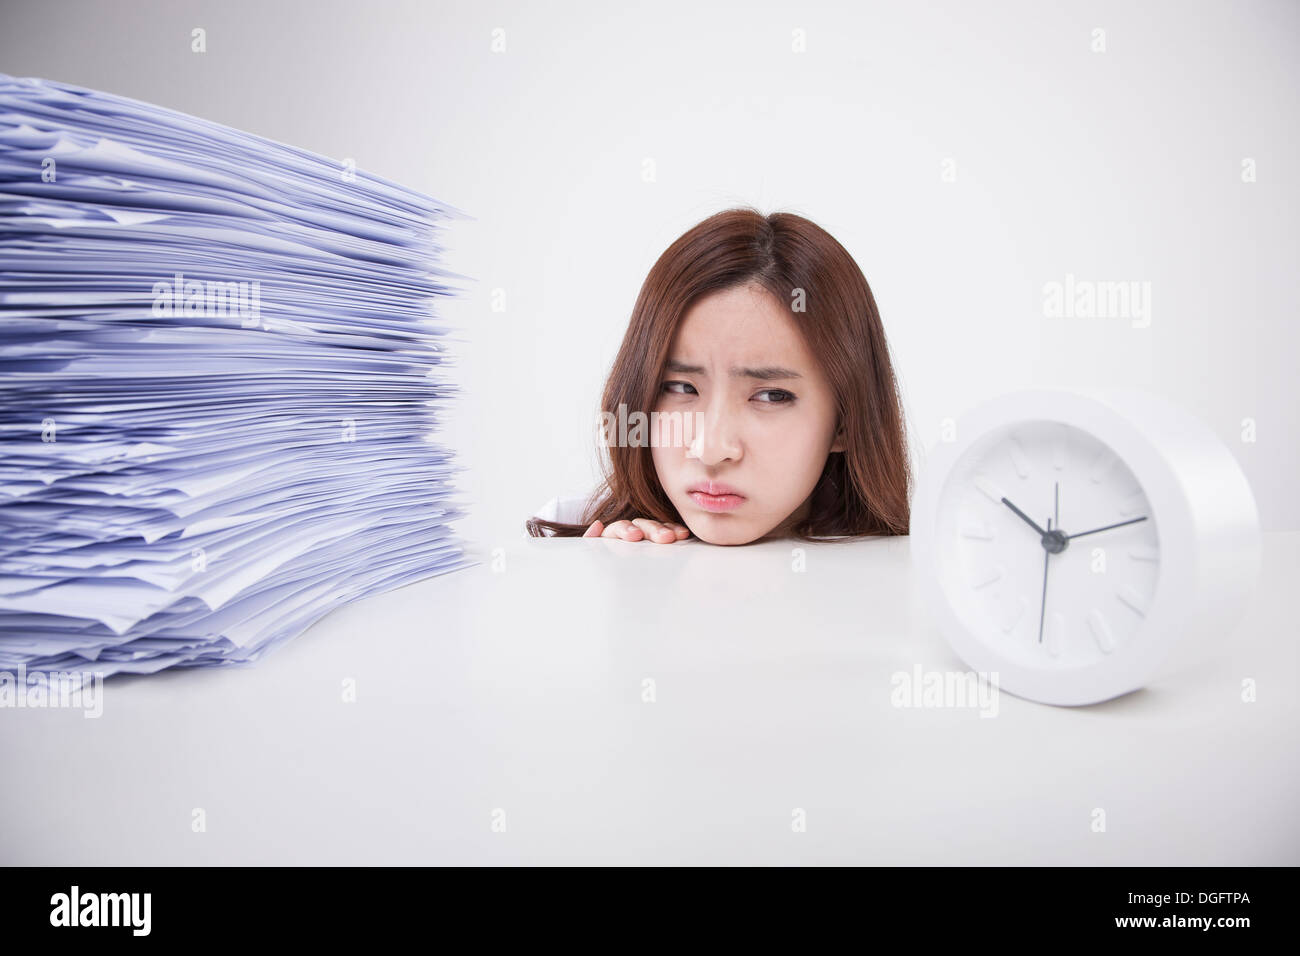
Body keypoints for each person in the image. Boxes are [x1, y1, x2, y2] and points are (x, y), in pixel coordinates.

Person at [526, 206, 912, 546]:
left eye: (772, 396)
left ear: (845, 421)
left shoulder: (926, 566)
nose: (711, 449)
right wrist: (614, 577)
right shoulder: (568, 530)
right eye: (680, 387)